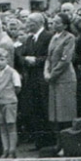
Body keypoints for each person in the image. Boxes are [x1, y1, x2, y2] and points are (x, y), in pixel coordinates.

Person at [44, 13, 78, 154]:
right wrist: (46, 72)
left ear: (64, 24)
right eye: (53, 22)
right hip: (54, 80)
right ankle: (59, 144)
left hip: (65, 80)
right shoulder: (53, 38)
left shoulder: (69, 38)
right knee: (56, 114)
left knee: (66, 113)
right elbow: (49, 57)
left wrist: (52, 74)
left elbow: (65, 60)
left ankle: (68, 145)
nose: (54, 25)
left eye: (58, 22)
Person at [18, 13, 53, 150]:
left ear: (38, 22)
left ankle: (49, 142)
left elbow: (50, 57)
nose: (27, 25)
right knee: (35, 110)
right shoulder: (29, 39)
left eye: (30, 22)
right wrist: (26, 60)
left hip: (42, 78)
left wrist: (36, 61)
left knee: (44, 109)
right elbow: (21, 55)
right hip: (32, 79)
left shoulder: (48, 37)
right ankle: (40, 142)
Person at [0, 47, 21, 159]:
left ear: (7, 60)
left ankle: (12, 150)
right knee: (2, 127)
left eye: (2, 59)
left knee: (11, 125)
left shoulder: (12, 72)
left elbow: (17, 87)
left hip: (9, 102)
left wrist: (10, 96)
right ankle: (5, 149)